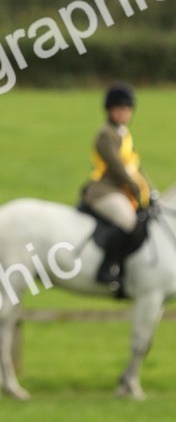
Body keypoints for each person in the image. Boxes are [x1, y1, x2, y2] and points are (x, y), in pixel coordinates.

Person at [80, 83, 153, 287]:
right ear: (110, 110)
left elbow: (134, 164)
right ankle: (106, 268)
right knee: (128, 221)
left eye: (127, 109)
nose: (124, 113)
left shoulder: (124, 133)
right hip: (104, 189)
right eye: (120, 109)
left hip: (121, 189)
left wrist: (150, 189)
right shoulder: (106, 134)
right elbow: (116, 166)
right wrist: (136, 187)